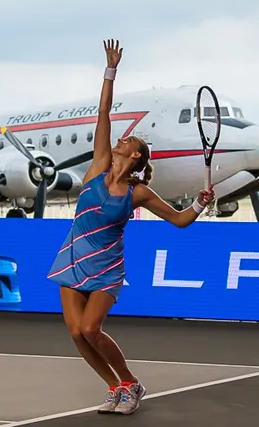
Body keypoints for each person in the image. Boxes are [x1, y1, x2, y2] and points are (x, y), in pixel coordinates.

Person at [46, 39, 215, 416]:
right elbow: (104, 111)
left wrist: (200, 203)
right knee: (75, 334)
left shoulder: (138, 193)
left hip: (106, 267)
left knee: (91, 329)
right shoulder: (97, 168)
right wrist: (111, 71)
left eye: (128, 141)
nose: (120, 139)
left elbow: (180, 221)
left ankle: (132, 383)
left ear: (135, 155)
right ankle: (115, 387)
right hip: (72, 258)